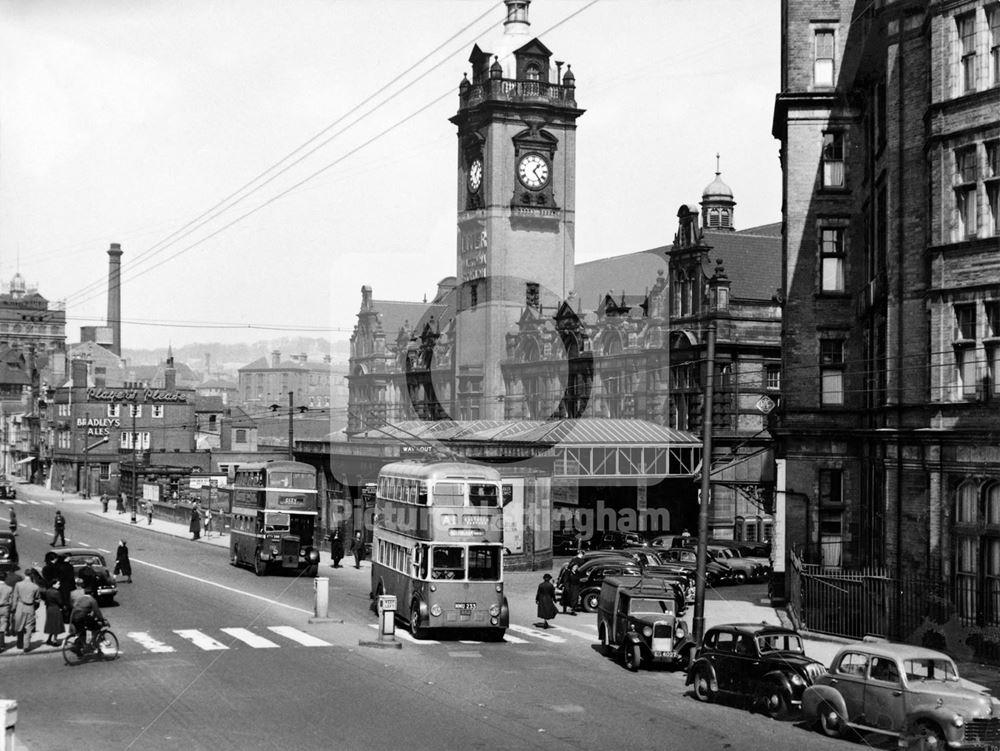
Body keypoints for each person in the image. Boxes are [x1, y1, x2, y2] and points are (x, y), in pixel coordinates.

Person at [11, 568, 41, 650]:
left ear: (25, 574)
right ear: (32, 576)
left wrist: (13, 608)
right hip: (30, 607)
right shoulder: (35, 587)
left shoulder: (18, 584)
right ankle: (26, 645)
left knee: (19, 625)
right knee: (29, 627)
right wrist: (35, 608)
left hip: (20, 606)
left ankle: (19, 643)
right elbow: (38, 600)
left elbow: (15, 597)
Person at [68, 588, 105, 653]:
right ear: (92, 594)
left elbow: (74, 607)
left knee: (82, 631)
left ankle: (80, 646)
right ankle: (89, 645)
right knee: (94, 627)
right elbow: (97, 612)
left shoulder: (80, 599)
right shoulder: (92, 600)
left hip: (73, 616)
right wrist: (102, 620)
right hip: (82, 617)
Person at [561, 551, 585, 615]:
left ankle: (573, 610)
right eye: (574, 567)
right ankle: (565, 608)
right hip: (569, 587)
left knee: (574, 599)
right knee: (566, 599)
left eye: (576, 567)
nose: (575, 568)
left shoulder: (577, 572)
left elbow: (579, 579)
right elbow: (565, 580)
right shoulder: (568, 572)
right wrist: (566, 587)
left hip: (575, 587)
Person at [54, 553, 76, 620]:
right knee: (68, 601)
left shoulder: (59, 566)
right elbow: (71, 577)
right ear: (67, 558)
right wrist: (73, 586)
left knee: (62, 600)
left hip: (61, 585)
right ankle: (68, 616)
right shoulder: (69, 567)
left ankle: (63, 614)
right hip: (67, 585)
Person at [42, 580, 64, 646]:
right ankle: (55, 640)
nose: (59, 585)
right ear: (53, 584)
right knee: (56, 625)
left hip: (49, 609)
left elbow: (45, 601)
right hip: (56, 608)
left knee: (51, 624)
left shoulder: (47, 591)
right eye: (58, 584)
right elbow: (60, 602)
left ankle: (49, 639)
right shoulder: (56, 592)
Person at [0, 575, 11, 652]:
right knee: (2, 627)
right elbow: (11, 601)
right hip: (4, 608)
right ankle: (1, 644)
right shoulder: (9, 588)